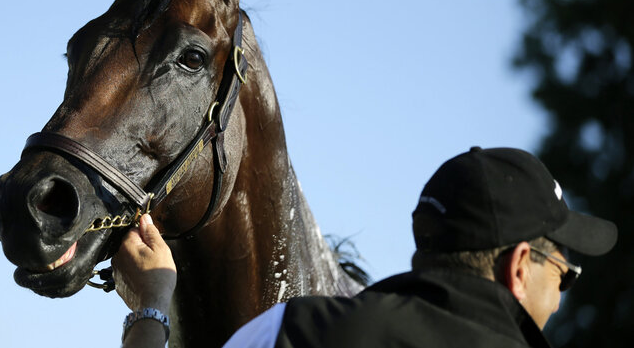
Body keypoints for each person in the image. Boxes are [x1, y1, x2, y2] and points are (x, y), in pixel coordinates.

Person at [111, 147, 618, 347]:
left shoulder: (299, 331)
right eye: (565, 276)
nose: (559, 295)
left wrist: (151, 305)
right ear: (521, 266)